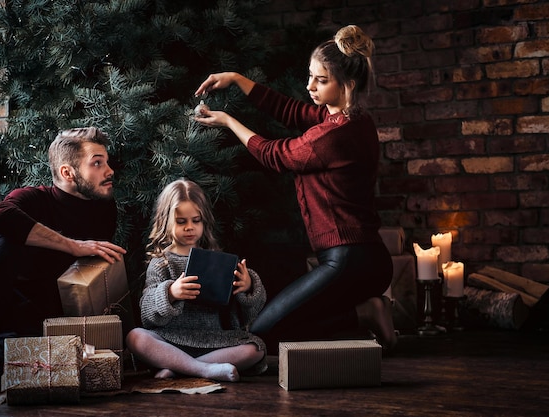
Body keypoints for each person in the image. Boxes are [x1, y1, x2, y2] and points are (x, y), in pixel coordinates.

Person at [194, 25, 397, 349]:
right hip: (366, 258)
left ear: (348, 84)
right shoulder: (353, 120)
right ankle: (367, 312)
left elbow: (274, 155)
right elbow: (290, 110)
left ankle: (367, 313)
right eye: (310, 76)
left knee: (263, 333)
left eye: (321, 80)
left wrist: (229, 121)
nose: (310, 86)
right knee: (286, 323)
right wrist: (235, 77)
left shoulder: (332, 136)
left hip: (349, 261)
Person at [0, 127, 127, 406]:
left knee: (17, 354)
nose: (109, 170)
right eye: (97, 163)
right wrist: (73, 245)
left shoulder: (105, 209)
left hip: (28, 319)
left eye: (106, 162)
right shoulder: (34, 198)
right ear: (67, 173)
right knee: (3, 235)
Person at [126, 178, 267, 382]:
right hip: (171, 340)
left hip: (213, 340)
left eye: (196, 220)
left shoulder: (217, 261)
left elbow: (247, 315)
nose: (190, 227)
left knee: (255, 349)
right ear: (166, 221)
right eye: (181, 221)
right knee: (135, 337)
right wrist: (170, 293)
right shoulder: (162, 263)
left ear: (204, 221)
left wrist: (248, 287)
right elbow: (147, 316)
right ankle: (204, 370)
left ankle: (179, 368)